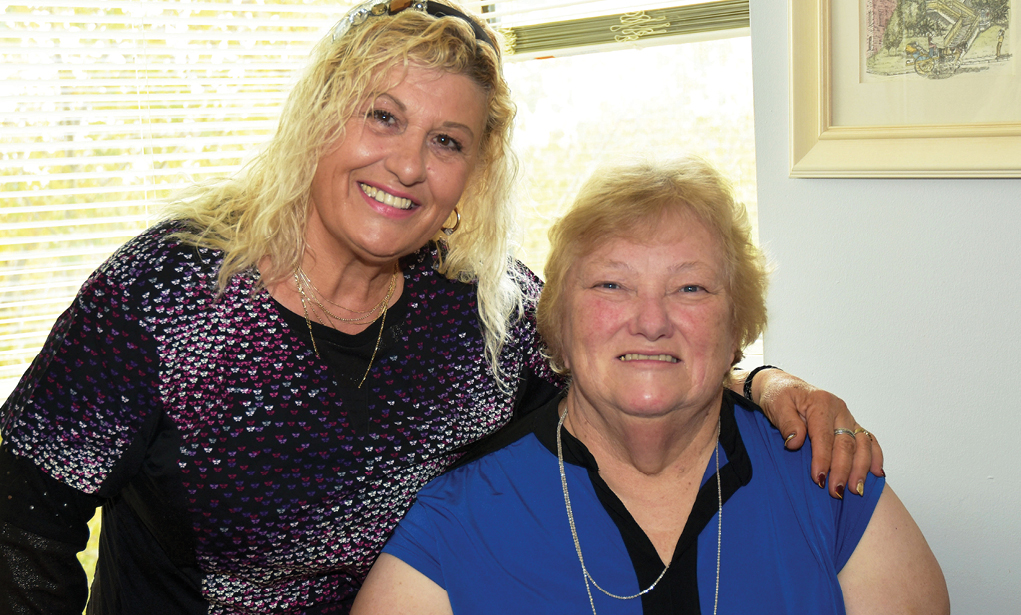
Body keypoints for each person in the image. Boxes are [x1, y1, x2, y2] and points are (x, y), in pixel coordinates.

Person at [0, 3, 879, 613]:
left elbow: (629, 362)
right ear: (318, 119)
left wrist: (766, 381)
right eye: (381, 116)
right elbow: (21, 518)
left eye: (446, 141)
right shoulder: (166, 291)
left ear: (472, 175)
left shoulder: (487, 316)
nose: (407, 166)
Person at [353, 158, 947, 615]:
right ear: (556, 322)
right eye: (611, 286)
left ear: (739, 324)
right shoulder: (456, 520)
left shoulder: (828, 478)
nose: (652, 320)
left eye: (691, 289)